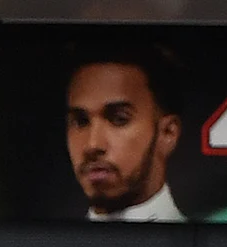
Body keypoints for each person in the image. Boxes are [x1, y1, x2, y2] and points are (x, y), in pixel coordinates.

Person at [65, 51, 186, 222]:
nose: (92, 145)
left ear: (168, 133)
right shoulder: (41, 245)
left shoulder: (206, 244)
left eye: (119, 119)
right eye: (80, 121)